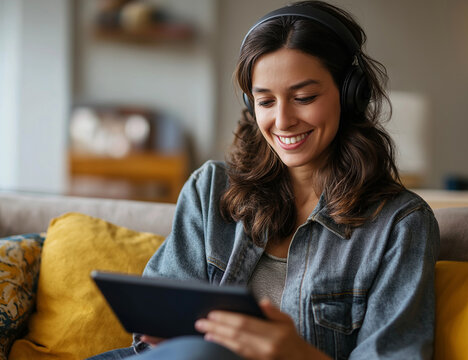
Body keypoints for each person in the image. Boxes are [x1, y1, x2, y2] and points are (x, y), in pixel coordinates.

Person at [89, 1, 439, 359]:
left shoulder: (400, 224)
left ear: (351, 95)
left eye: (304, 97)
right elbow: (149, 338)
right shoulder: (210, 188)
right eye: (266, 101)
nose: (283, 121)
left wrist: (297, 355)